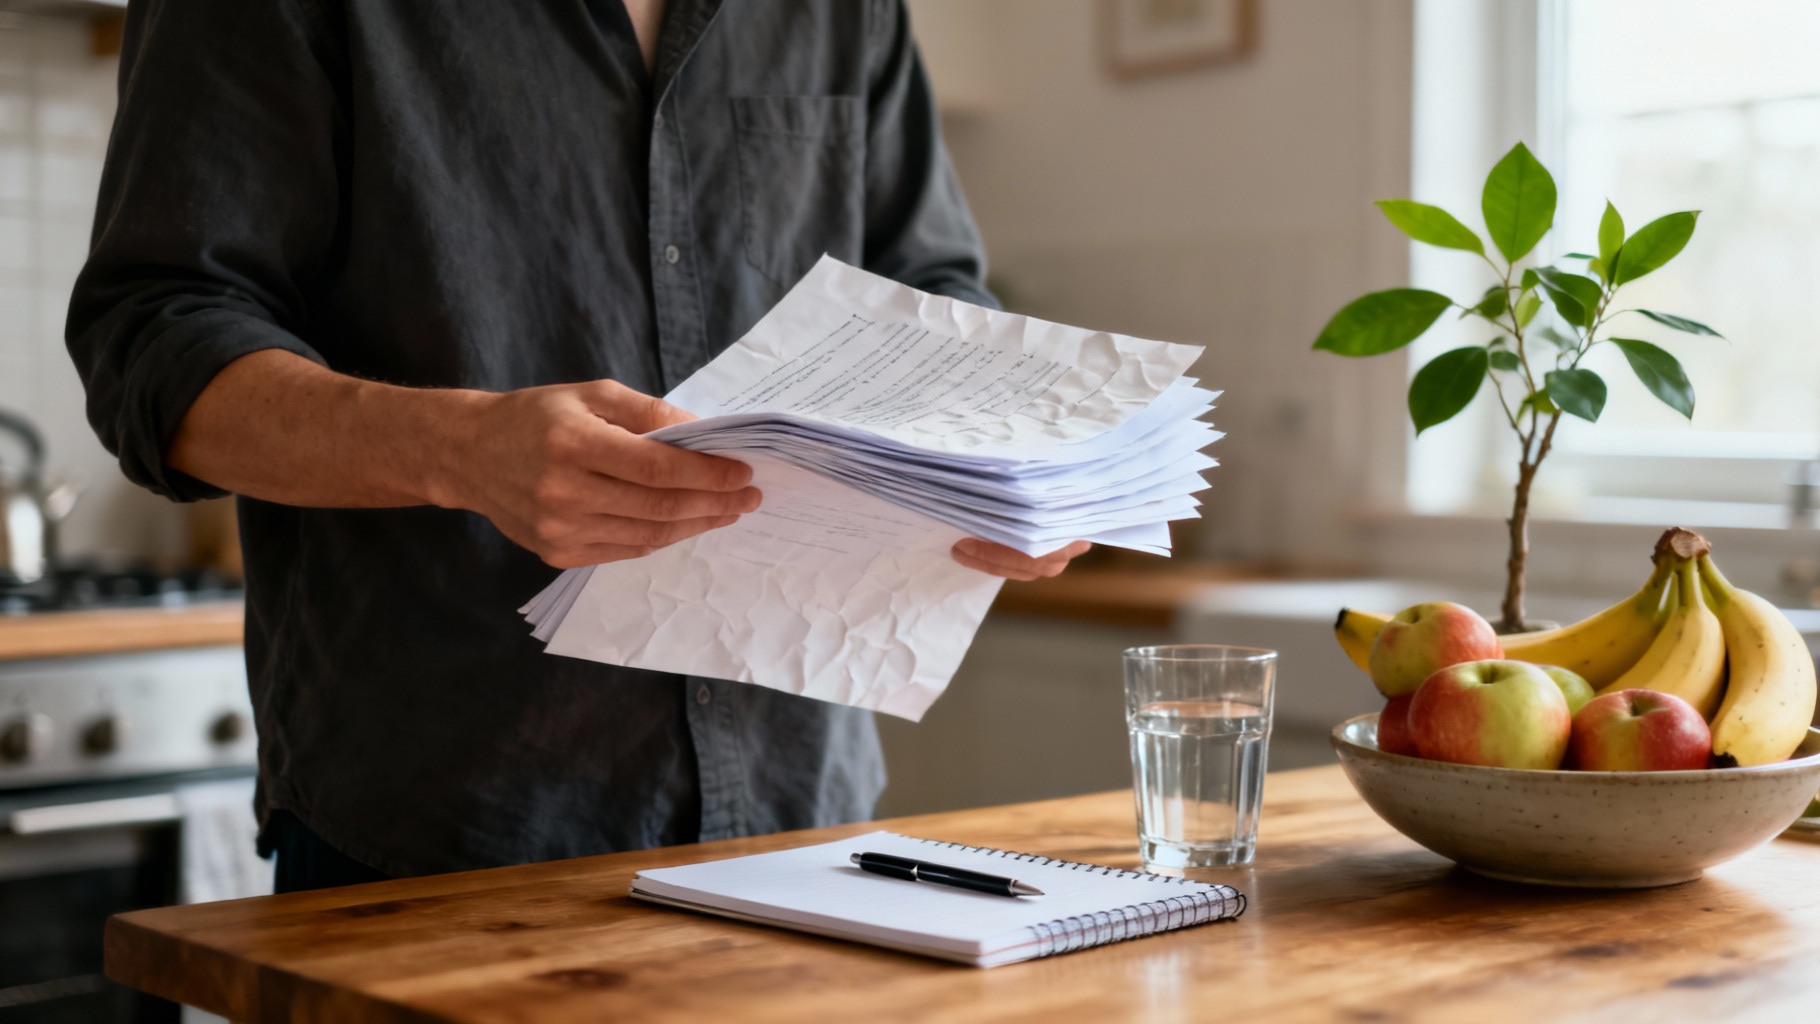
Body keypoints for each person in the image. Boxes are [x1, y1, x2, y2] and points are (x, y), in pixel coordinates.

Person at [66, 0, 1089, 893]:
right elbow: (152, 336)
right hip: (436, 846)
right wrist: (458, 447)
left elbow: (933, 298)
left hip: (805, 827)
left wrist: (1007, 465)